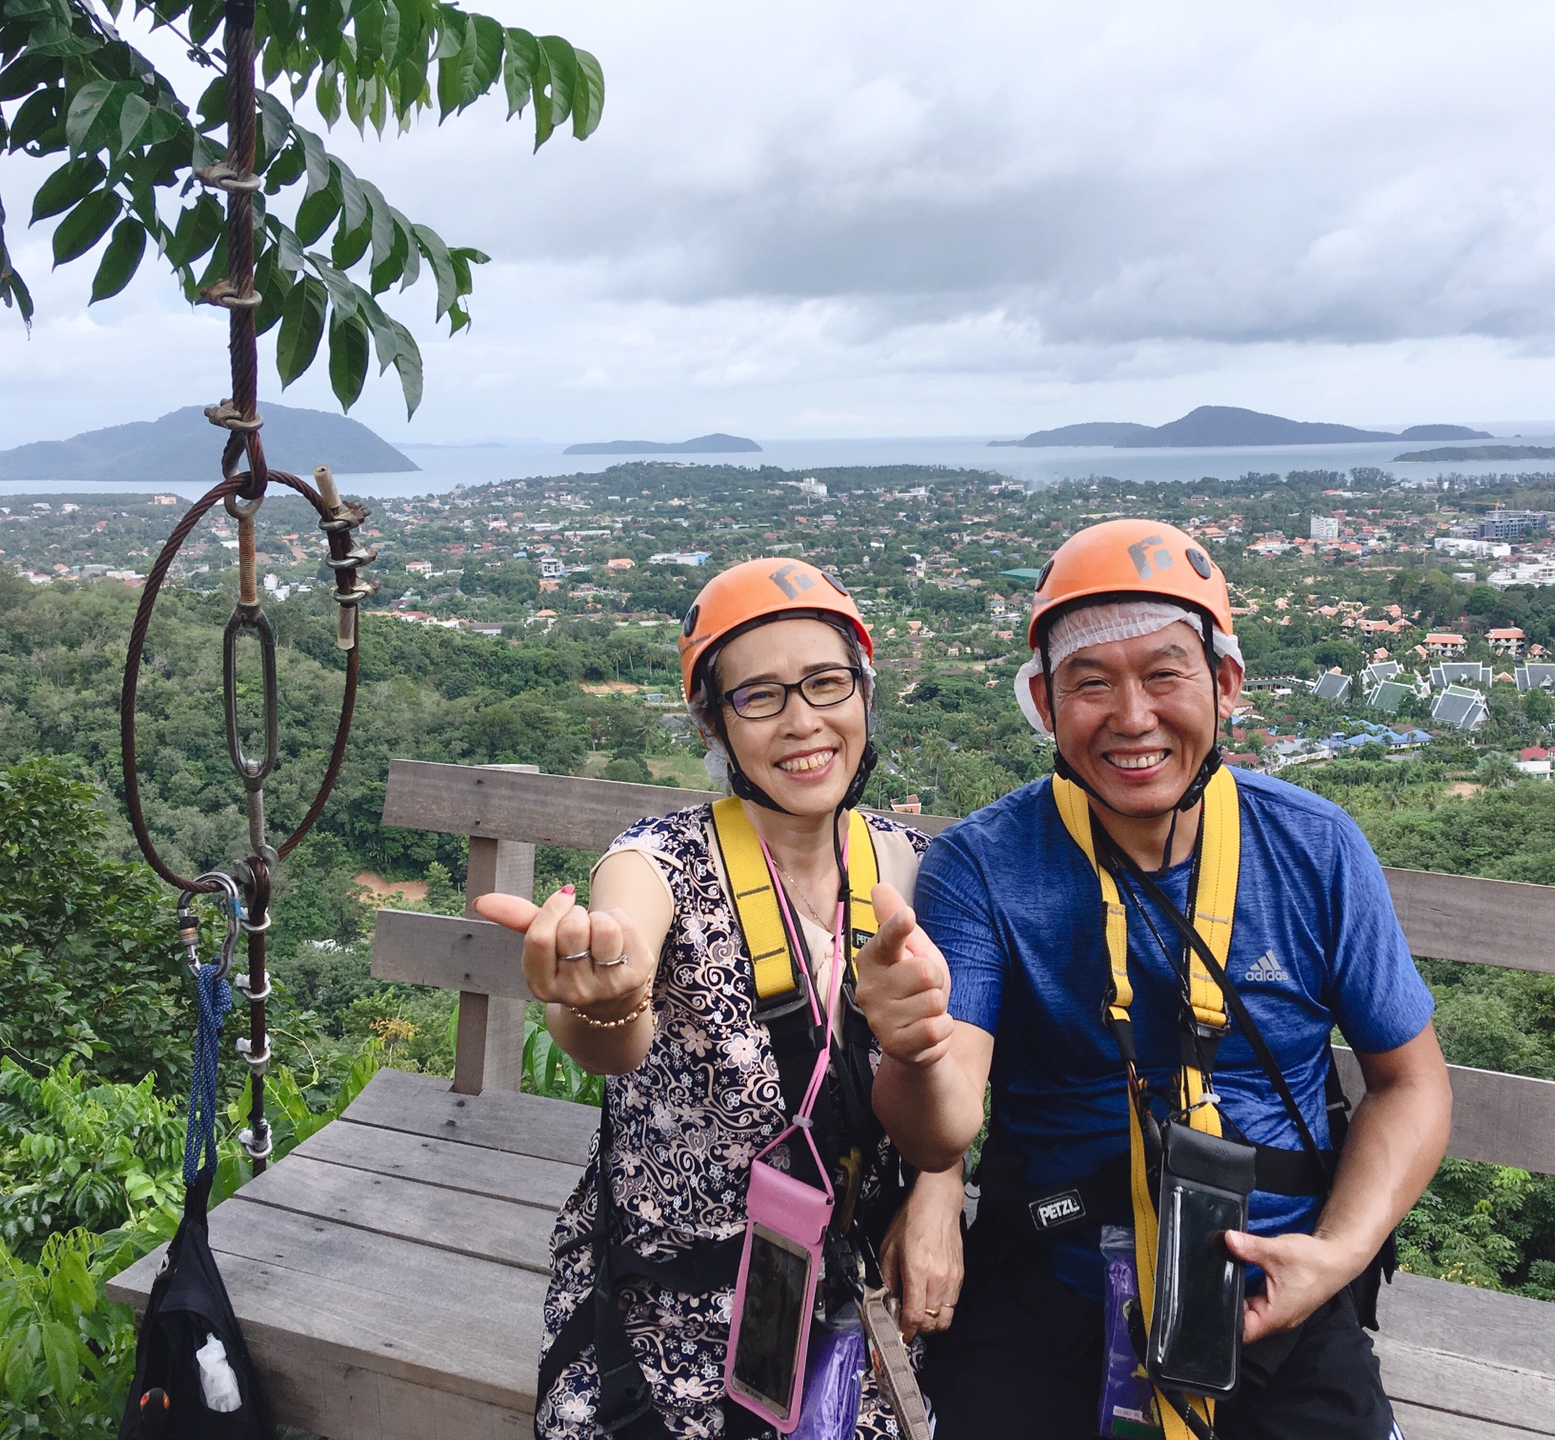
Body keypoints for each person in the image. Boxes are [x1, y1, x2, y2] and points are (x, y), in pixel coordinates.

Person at [854, 519, 1453, 1440]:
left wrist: (1337, 1255)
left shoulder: (1314, 848)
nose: (1132, 718)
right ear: (1045, 707)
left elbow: (1410, 1082)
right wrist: (909, 1047)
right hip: (1053, 1291)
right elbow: (944, 1123)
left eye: (1165, 674)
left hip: (1277, 1295)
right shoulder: (985, 867)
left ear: (1225, 685)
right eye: (1090, 684)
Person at [476, 558, 964, 1440]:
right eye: (761, 697)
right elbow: (614, 1005)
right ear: (714, 721)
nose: (804, 722)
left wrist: (938, 1184)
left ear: (864, 692)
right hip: (667, 1305)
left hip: (851, 1302)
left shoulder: (911, 868)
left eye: (826, 684)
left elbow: (944, 1092)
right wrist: (601, 994)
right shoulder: (658, 861)